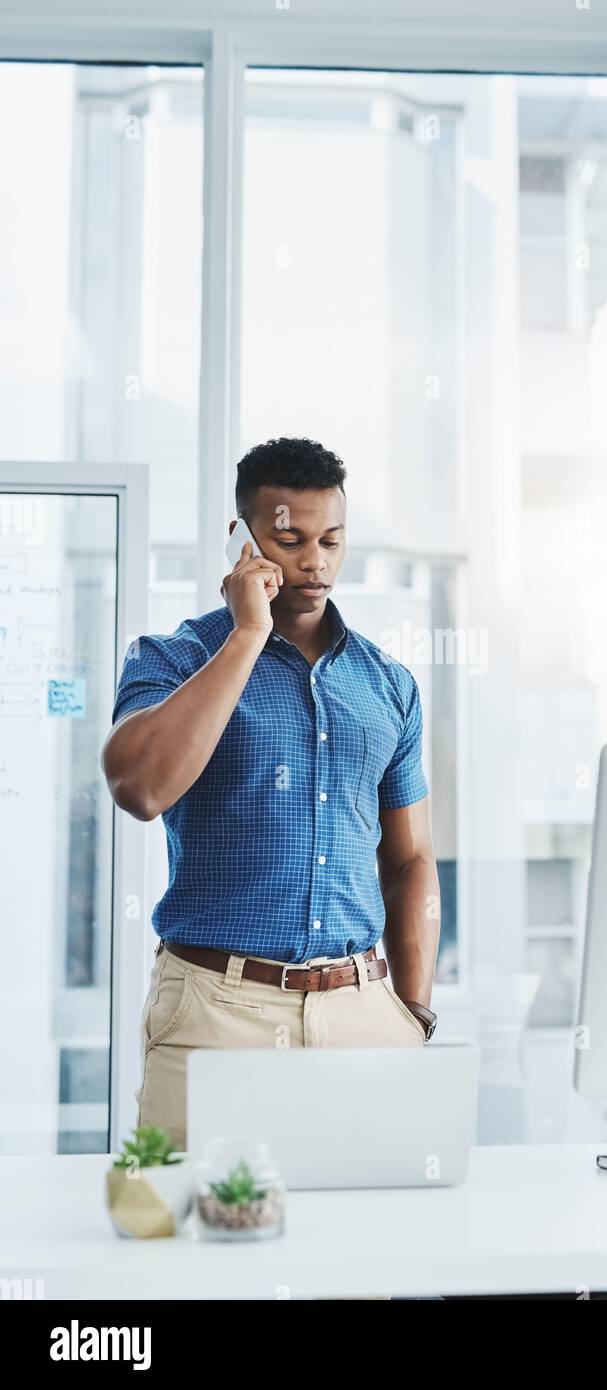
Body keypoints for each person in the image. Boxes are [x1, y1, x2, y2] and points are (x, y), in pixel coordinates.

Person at [101, 437, 440, 1151]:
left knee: (374, 1246)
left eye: (330, 540)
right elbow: (139, 787)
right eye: (287, 540)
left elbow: (409, 861)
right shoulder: (170, 659)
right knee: (182, 1238)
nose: (314, 561)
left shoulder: (389, 684)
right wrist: (248, 633)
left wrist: (411, 1010)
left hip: (364, 1016)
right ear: (240, 542)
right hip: (214, 1015)